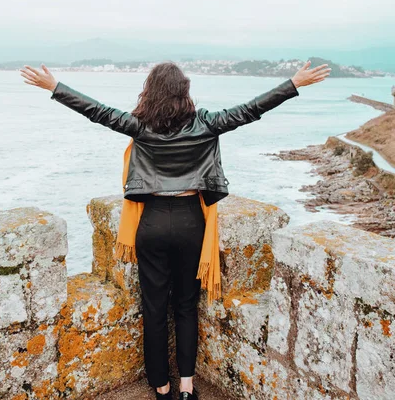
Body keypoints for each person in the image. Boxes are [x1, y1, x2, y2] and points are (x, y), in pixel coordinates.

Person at [20, 59, 330, 399]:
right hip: (189, 222)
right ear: (184, 92)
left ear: (150, 92)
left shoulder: (138, 125)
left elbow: (97, 111)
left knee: (153, 309)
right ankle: (186, 386)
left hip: (150, 222)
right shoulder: (206, 124)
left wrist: (54, 87)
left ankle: (161, 387)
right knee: (185, 307)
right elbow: (252, 109)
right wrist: (294, 83)